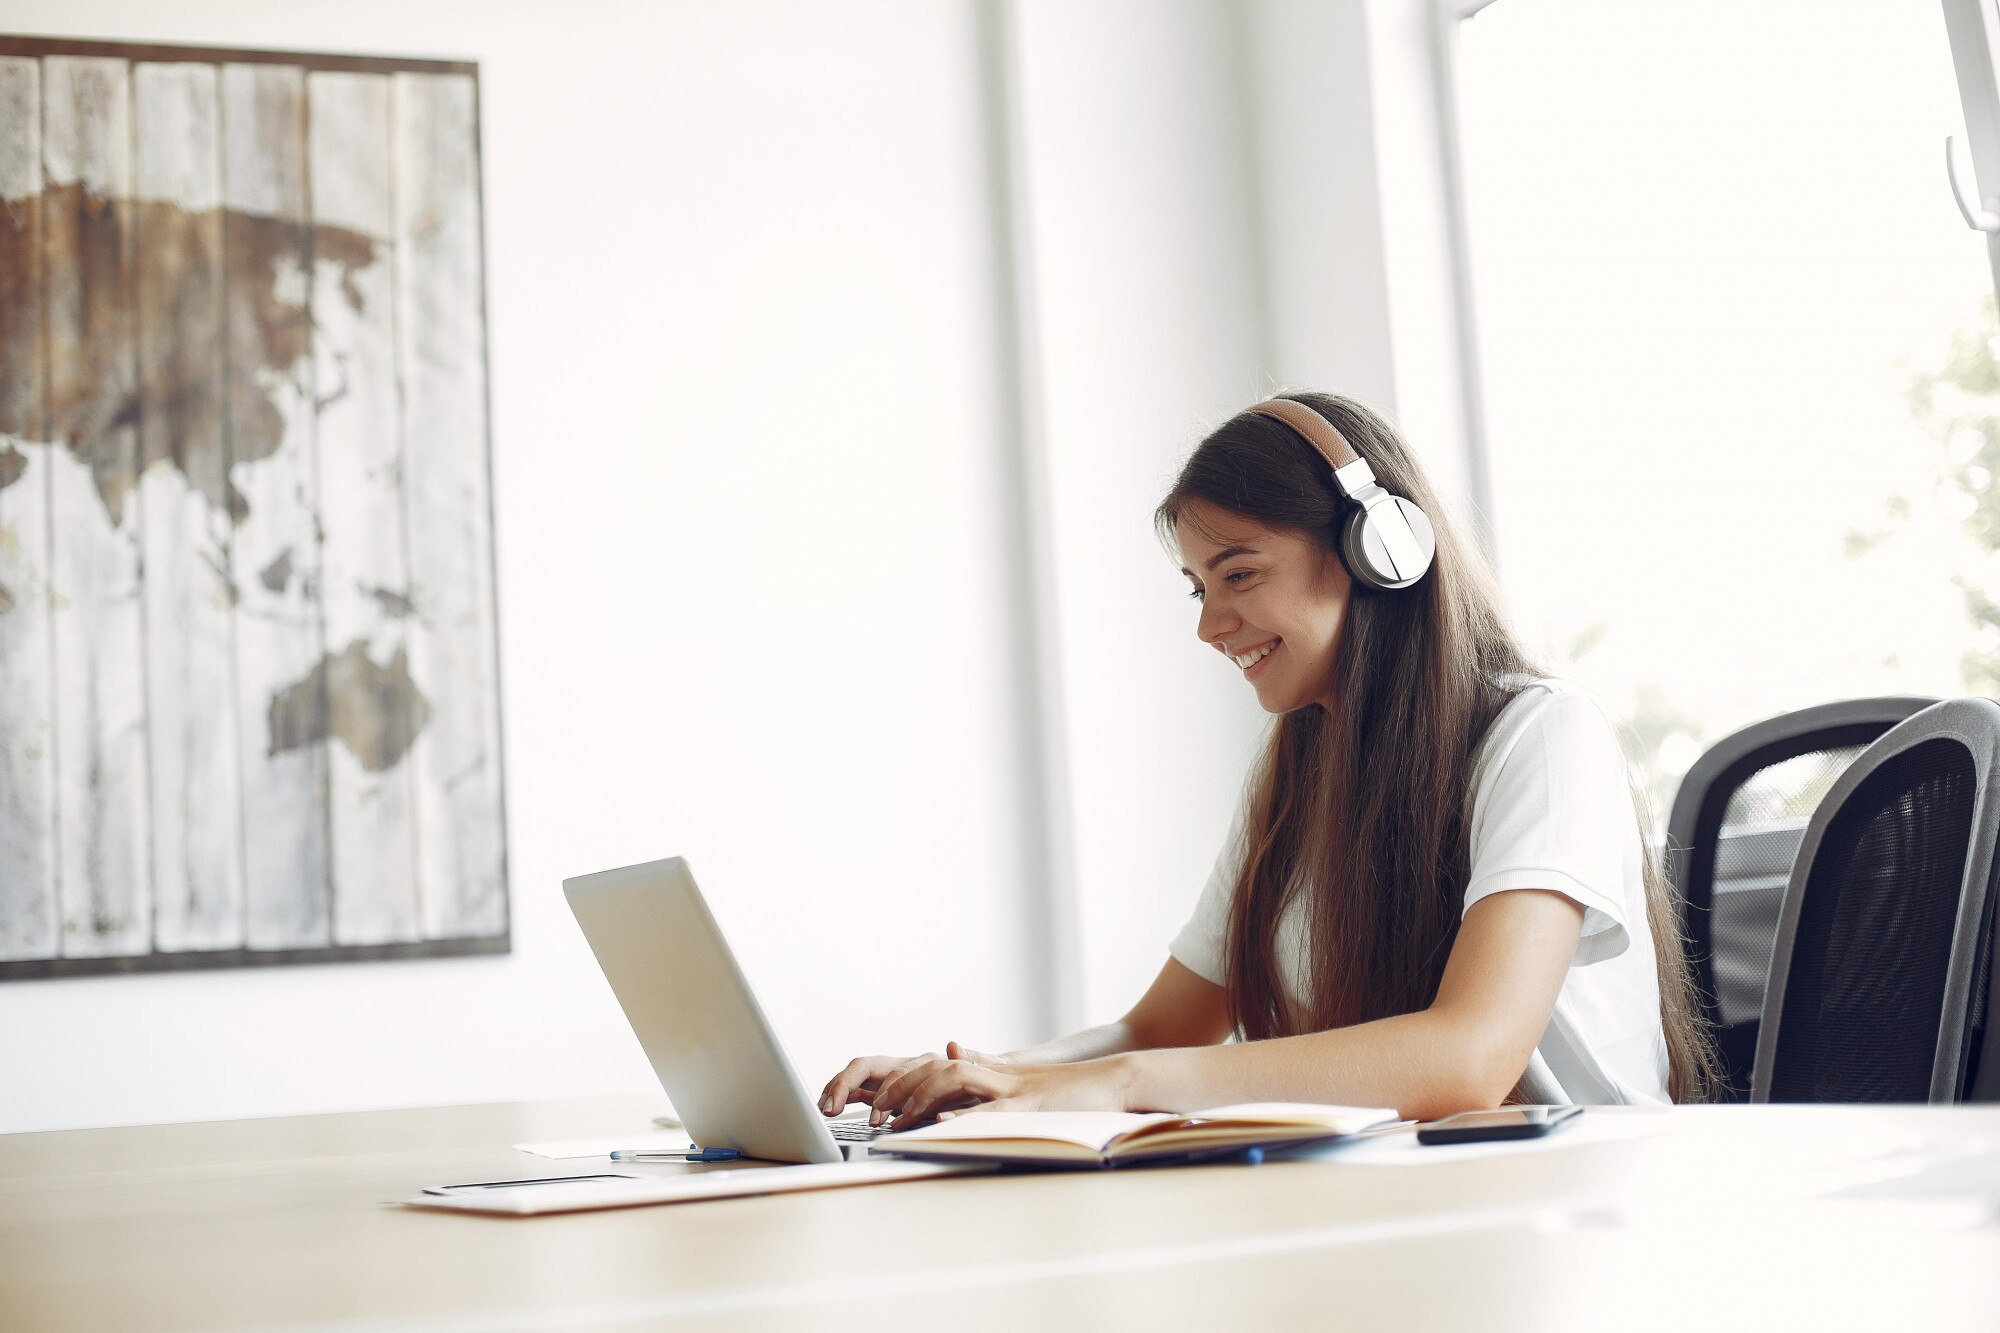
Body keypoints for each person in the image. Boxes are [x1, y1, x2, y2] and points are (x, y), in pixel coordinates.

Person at [820, 391, 1715, 1128]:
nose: (1210, 624)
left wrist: (1115, 1083)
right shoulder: (1296, 776)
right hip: (1416, 1208)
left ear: (1382, 552)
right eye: (1199, 587)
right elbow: (1162, 1024)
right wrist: (981, 1074)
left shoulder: (1540, 736)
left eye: (1239, 574)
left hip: (1580, 1222)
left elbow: (1468, 1057)